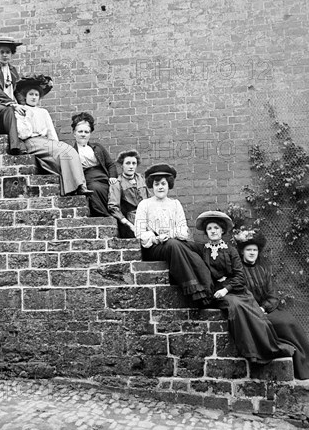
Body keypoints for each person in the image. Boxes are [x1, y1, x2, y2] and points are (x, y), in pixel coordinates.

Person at [195, 211, 295, 364]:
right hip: (217, 293)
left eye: (216, 228)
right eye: (209, 228)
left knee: (256, 314)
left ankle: (269, 348)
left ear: (222, 230)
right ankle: (251, 352)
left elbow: (240, 277)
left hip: (235, 289)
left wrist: (226, 288)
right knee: (237, 306)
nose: (213, 231)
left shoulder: (231, 250)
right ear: (206, 232)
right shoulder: (202, 250)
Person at [235, 229, 309, 379]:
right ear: (242, 252)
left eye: (255, 250)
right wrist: (256, 309)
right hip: (251, 312)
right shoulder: (239, 272)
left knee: (290, 321)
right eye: (248, 250)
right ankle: (302, 366)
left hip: (267, 309)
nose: (252, 253)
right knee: (284, 324)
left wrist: (264, 307)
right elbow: (241, 295)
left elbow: (273, 295)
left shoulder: (263, 269)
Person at [134, 164, 213, 306]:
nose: (160, 187)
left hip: (174, 243)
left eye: (163, 184)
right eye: (156, 184)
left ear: (168, 185)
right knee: (173, 244)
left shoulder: (175, 204)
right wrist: (156, 238)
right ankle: (195, 290)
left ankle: (208, 286)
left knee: (199, 248)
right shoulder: (144, 204)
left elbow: (183, 230)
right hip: (154, 248)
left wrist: (170, 234)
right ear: (151, 186)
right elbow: (139, 233)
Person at [14, 76, 93, 197]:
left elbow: (51, 132)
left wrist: (57, 145)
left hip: (45, 142)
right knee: (63, 151)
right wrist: (27, 116)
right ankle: (73, 187)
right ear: (25, 96)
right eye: (31, 94)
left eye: (36, 95)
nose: (34, 97)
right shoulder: (21, 111)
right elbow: (23, 133)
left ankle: (79, 186)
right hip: (31, 142)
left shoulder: (43, 112)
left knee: (68, 150)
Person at [72, 112, 118, 216]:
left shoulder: (97, 148)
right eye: (80, 131)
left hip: (104, 177)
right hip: (88, 180)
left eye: (86, 132)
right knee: (95, 188)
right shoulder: (71, 151)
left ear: (90, 134)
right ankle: (106, 215)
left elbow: (110, 164)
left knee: (117, 188)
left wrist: (112, 177)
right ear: (74, 133)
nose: (83, 134)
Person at [107, 150, 149, 238]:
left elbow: (150, 199)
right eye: (128, 163)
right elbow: (113, 207)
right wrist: (129, 225)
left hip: (147, 219)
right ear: (122, 165)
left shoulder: (141, 178)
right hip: (130, 222)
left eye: (134, 163)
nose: (131, 166)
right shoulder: (117, 183)